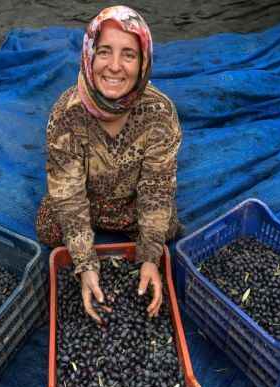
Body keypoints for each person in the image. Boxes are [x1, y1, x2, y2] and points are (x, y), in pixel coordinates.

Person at [36, 5, 182, 324]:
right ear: (89, 54)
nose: (115, 67)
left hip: (132, 204)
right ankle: (92, 241)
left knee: (165, 227)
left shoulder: (160, 114)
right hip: (87, 201)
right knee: (49, 226)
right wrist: (86, 265)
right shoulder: (67, 115)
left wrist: (149, 259)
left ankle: (134, 241)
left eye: (129, 54)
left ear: (143, 61)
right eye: (105, 52)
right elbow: (69, 194)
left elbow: (156, 190)